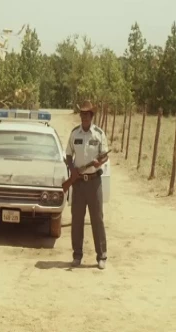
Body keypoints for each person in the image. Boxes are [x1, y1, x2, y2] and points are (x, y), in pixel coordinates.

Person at [64, 100, 109, 269]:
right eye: (82, 114)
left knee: (97, 219)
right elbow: (68, 155)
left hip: (94, 182)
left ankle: (101, 256)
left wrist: (99, 162)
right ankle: (77, 255)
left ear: (92, 116)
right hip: (78, 183)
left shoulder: (99, 134)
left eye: (87, 114)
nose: (84, 117)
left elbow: (105, 155)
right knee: (77, 219)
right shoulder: (74, 133)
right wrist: (72, 170)